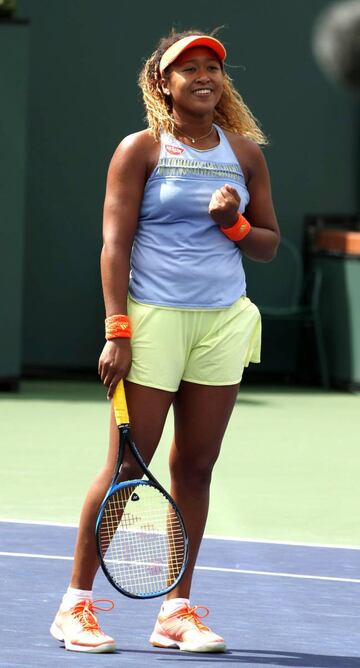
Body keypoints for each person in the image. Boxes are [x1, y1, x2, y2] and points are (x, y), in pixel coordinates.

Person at [50, 29, 279, 654]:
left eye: (213, 68)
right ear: (164, 83)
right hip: (152, 322)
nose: (204, 76)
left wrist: (232, 222)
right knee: (129, 466)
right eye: (189, 69)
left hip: (222, 323)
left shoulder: (246, 154)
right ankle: (76, 605)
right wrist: (117, 329)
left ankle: (175, 611)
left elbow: (267, 243)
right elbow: (114, 247)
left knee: (196, 468)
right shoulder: (140, 150)